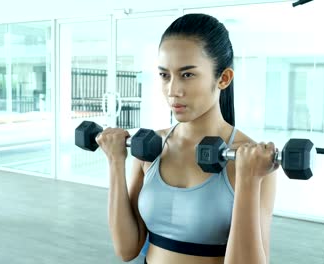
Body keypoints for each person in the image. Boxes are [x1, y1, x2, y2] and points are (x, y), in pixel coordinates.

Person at [96, 13, 278, 264]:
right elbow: (127, 250)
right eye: (164, 75)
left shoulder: (252, 160)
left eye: (187, 75)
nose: (173, 91)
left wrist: (248, 179)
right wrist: (115, 162)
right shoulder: (151, 148)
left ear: (223, 79)